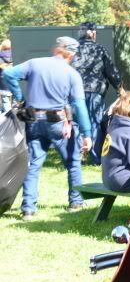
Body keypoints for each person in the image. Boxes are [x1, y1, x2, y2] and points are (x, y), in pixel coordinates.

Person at [2, 36, 92, 220]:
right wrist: (87, 133)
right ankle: (75, 202)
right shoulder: (72, 74)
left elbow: (9, 74)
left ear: (56, 49)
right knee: (73, 163)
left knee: (33, 165)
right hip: (58, 122)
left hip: (33, 120)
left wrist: (19, 97)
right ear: (72, 54)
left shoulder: (35, 63)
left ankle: (28, 208)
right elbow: (79, 105)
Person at [72, 22, 122, 165]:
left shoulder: (72, 50)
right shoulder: (100, 49)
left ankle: (76, 156)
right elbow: (111, 71)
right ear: (93, 34)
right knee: (94, 123)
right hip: (94, 92)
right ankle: (95, 158)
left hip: (74, 92)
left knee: (76, 123)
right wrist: (120, 88)